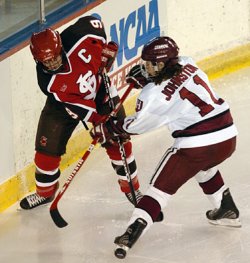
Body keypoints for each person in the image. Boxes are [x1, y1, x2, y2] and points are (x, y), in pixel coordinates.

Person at [90, 36, 241, 258]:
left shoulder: (153, 97)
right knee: (204, 166)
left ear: (161, 64)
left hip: (195, 145)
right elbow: (175, 85)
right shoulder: (188, 63)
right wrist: (150, 79)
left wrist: (111, 128)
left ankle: (130, 233)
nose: (145, 68)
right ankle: (226, 207)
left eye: (150, 64)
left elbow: (138, 125)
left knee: (159, 191)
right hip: (227, 138)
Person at [19, 15, 143, 210]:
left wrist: (104, 53)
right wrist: (100, 121)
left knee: (118, 140)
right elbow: (77, 106)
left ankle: (131, 188)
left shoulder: (82, 34)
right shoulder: (48, 81)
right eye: (45, 61)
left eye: (54, 58)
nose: (51, 64)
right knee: (45, 151)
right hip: (64, 104)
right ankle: (45, 193)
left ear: (61, 47)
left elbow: (97, 21)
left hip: (101, 92)